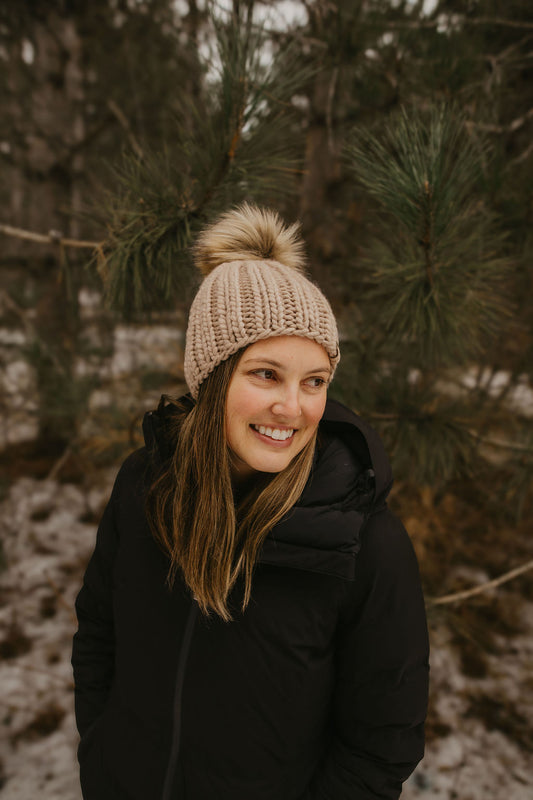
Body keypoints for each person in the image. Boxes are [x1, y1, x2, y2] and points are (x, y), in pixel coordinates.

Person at [72, 204, 429, 800]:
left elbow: (381, 742)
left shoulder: (362, 538)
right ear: (210, 380)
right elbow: (99, 635)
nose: (294, 407)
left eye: (314, 380)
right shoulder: (145, 485)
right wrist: (100, 757)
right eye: (266, 374)